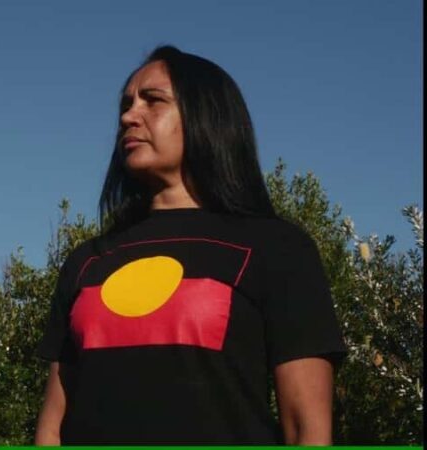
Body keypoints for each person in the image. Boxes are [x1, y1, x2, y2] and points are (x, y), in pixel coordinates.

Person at [34, 45, 347, 445]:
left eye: (154, 101)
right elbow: (51, 429)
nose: (130, 116)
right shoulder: (88, 260)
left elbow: (307, 429)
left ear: (206, 117)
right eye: (126, 105)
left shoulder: (277, 249)